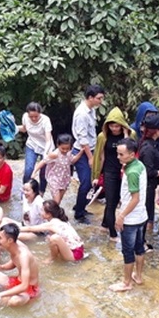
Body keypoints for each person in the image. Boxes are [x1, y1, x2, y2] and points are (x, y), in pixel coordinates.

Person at [110, 139, 147, 292]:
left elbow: (135, 198)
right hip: (141, 216)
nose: (118, 157)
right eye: (117, 153)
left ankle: (126, 283)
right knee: (139, 248)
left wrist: (121, 215)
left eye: (121, 154)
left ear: (131, 155)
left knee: (127, 251)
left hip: (131, 219)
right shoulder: (139, 165)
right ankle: (138, 276)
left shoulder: (131, 172)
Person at [92, 107, 130, 239]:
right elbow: (99, 157)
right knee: (111, 202)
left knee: (121, 200)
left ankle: (104, 224)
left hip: (124, 172)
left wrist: (125, 135)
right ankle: (113, 235)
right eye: (112, 126)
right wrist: (96, 176)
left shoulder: (130, 134)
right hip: (109, 172)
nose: (114, 129)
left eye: (117, 126)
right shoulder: (103, 137)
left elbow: (131, 151)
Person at [0, 222, 41, 307]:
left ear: (10, 240)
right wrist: (1, 267)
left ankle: (0, 301)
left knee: (14, 301)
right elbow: (14, 261)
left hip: (29, 289)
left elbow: (24, 286)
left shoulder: (23, 256)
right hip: (17, 281)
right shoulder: (14, 245)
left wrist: (1, 294)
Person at [71, 84, 105, 221]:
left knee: (90, 181)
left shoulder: (91, 110)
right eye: (99, 98)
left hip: (90, 149)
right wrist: (91, 158)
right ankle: (79, 214)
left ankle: (80, 207)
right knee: (85, 182)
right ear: (90, 97)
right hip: (82, 151)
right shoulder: (82, 114)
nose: (100, 101)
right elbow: (82, 138)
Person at [20, 200, 86, 262]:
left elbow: (30, 228)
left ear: (49, 214)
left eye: (42, 210)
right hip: (79, 251)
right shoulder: (62, 220)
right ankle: (57, 256)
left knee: (54, 238)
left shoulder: (52, 224)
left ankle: (51, 259)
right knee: (49, 237)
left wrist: (16, 229)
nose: (40, 212)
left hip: (75, 255)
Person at [138, 114, 159, 243]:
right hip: (147, 186)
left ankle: (142, 240)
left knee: (147, 212)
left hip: (149, 185)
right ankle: (140, 242)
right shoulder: (148, 148)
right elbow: (148, 171)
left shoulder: (151, 143)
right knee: (144, 213)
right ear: (156, 131)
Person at [33, 133, 81, 204]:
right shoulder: (55, 154)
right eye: (63, 148)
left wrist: (81, 152)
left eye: (67, 148)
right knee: (57, 202)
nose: (65, 150)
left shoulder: (69, 153)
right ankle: (47, 211)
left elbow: (72, 160)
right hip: (54, 179)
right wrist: (34, 172)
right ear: (58, 145)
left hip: (65, 179)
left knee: (58, 202)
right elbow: (43, 161)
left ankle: (47, 210)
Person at [17, 102, 54, 185]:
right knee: (28, 170)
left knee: (43, 172)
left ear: (40, 113)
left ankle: (41, 192)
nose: (33, 119)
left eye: (36, 116)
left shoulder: (45, 120)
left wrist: (46, 153)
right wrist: (14, 128)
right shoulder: (25, 117)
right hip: (32, 144)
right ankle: (25, 189)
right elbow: (24, 129)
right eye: (31, 117)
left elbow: (48, 140)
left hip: (45, 146)